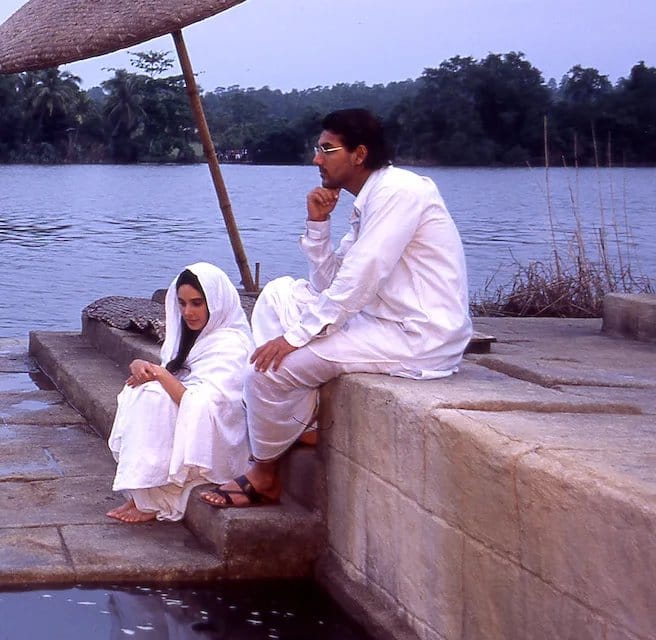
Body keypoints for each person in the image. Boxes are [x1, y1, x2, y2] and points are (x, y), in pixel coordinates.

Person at [201, 108, 473, 509]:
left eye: (326, 150)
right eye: (318, 149)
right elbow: (329, 283)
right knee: (278, 293)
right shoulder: (372, 199)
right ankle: (302, 420)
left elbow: (359, 278)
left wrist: (294, 338)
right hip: (379, 320)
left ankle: (264, 474)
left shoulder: (400, 192)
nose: (316, 159)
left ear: (359, 154)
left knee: (265, 374)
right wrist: (318, 226)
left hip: (416, 334)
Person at [107, 262, 254, 523]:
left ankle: (151, 499)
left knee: (153, 396)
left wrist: (160, 375)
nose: (188, 312)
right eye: (182, 303)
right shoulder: (193, 337)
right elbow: (175, 377)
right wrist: (142, 366)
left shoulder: (232, 345)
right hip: (195, 419)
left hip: (221, 438)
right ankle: (144, 494)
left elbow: (208, 406)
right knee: (140, 392)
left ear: (215, 302)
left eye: (197, 303)